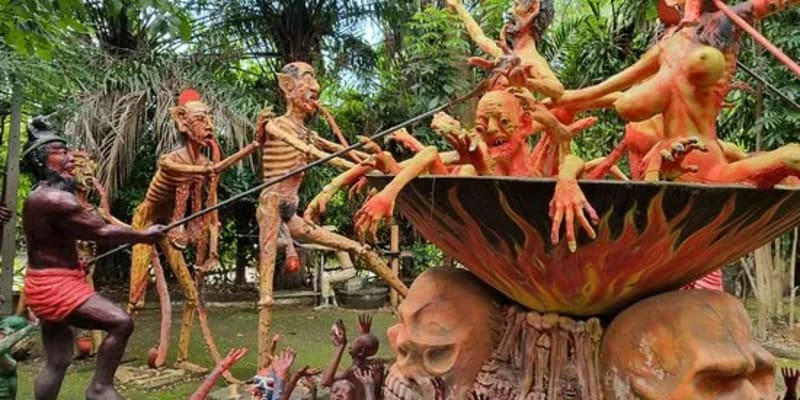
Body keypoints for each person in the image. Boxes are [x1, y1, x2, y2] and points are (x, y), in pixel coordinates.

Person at [20, 117, 164, 400]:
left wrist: (73, 264)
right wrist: (143, 236)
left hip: (45, 283)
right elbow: (100, 231)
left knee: (58, 360)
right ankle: (100, 388)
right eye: (59, 152)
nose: (70, 157)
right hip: (56, 290)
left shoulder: (38, 196)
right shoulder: (57, 200)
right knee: (121, 322)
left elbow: (54, 244)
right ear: (41, 160)